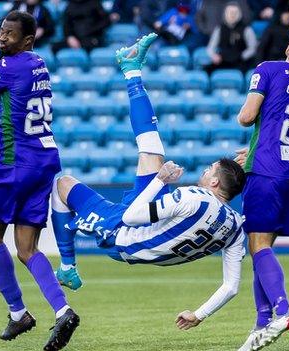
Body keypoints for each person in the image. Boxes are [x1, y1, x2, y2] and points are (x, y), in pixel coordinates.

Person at [50, 33, 247, 330]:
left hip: (123, 234)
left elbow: (131, 216)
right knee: (151, 149)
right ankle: (131, 69)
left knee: (62, 185)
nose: (204, 171)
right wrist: (199, 314)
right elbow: (231, 286)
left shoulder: (194, 197)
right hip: (147, 228)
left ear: (216, 183)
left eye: (210, 170)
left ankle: (67, 266)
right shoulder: (235, 227)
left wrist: (160, 180)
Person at [0, 11, 79, 351]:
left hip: (13, 164)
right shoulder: (38, 63)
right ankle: (63, 310)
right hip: (42, 160)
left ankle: (18, 312)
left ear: (27, 40)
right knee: (27, 249)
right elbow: (7, 110)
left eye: (9, 35)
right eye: (1, 31)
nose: (1, 39)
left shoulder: (9, 66)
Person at [233, 38, 289, 350]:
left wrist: (257, 143)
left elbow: (246, 117)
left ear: (288, 48)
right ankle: (261, 323)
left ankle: (283, 309)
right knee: (262, 248)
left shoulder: (269, 69)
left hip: (266, 169)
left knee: (258, 245)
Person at [205, 2, 258, 74]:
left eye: (235, 12)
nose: (232, 15)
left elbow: (252, 49)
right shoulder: (219, 29)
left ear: (239, 14)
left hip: (241, 61)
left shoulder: (247, 29)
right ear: (225, 14)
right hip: (223, 60)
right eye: (230, 12)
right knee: (206, 70)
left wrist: (241, 57)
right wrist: (214, 56)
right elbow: (210, 48)